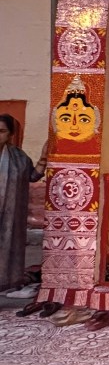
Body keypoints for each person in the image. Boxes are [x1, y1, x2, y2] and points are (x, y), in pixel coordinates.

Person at [0, 114, 47, 292]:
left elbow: (32, 176)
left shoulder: (19, 157)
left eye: (2, 131)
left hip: (10, 215)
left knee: (6, 249)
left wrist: (43, 158)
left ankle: (5, 283)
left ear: (10, 135)